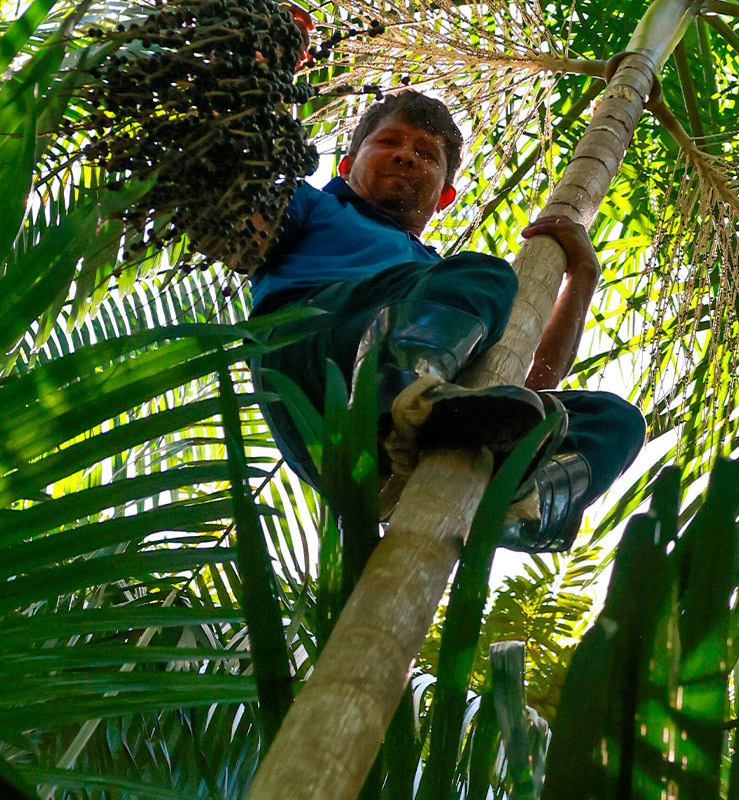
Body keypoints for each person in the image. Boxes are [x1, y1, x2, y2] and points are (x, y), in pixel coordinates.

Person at [249, 91, 645, 551]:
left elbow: (530, 382)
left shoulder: (450, 300)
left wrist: (582, 278)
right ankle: (400, 402)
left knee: (614, 422)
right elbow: (246, 214)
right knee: (485, 276)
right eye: (389, 142)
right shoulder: (319, 206)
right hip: (312, 357)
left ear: (445, 196)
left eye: (424, 153)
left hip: (404, 425)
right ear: (346, 165)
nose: (405, 155)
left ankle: (515, 499)